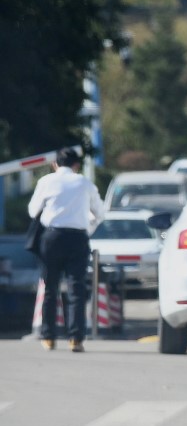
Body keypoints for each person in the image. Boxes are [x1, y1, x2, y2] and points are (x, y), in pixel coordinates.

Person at [26, 148, 105, 352]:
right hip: (78, 238)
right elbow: (100, 212)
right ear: (76, 165)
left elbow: (33, 210)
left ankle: (49, 337)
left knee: (50, 288)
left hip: (51, 238)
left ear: (55, 164)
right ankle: (76, 338)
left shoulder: (46, 181)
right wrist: (88, 228)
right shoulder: (84, 183)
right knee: (76, 289)